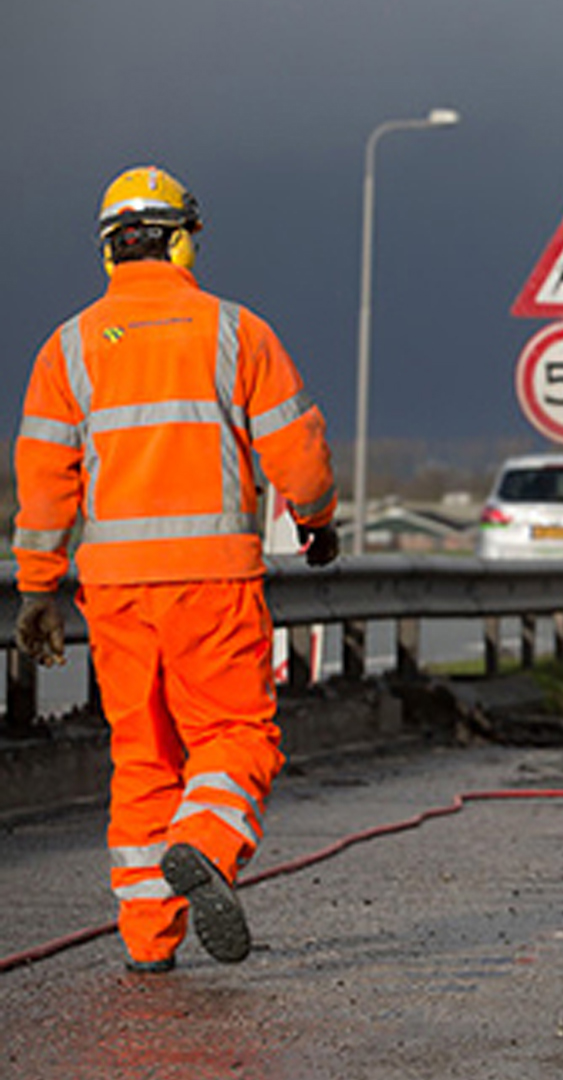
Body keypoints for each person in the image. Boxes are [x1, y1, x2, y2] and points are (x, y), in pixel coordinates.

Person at [12, 165, 340, 973]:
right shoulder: (236, 332)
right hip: (213, 584)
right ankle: (205, 842)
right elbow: (297, 452)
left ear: (109, 251)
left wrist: (35, 588)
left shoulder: (69, 346)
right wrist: (318, 522)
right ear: (184, 238)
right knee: (234, 734)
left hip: (115, 591)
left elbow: (44, 479)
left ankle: (147, 944)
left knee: (144, 755)